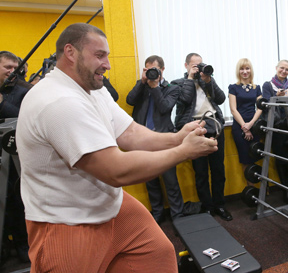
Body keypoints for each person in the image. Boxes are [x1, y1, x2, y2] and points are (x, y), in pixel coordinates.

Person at [16, 23, 218, 272]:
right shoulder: (58, 101)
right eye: (99, 55)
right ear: (70, 52)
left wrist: (178, 138)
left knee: (158, 254)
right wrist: (184, 151)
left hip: (109, 204)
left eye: (107, 55)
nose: (108, 64)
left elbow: (130, 133)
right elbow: (116, 171)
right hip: (66, 220)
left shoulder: (91, 88)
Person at [171, 53, 233, 221]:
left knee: (218, 170)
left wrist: (208, 80)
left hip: (215, 127)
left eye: (201, 65)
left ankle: (220, 205)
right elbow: (185, 100)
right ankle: (207, 207)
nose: (199, 68)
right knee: (201, 172)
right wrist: (191, 78)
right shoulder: (178, 83)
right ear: (186, 66)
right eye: (195, 66)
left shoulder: (207, 81)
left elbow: (220, 99)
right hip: (195, 130)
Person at [126, 55, 184, 224]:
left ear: (162, 70)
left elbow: (165, 107)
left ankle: (177, 217)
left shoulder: (171, 87)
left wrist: (155, 87)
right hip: (143, 139)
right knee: (150, 180)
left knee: (170, 180)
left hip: (163, 139)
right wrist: (142, 82)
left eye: (154, 70)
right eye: (147, 69)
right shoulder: (142, 86)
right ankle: (157, 214)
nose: (150, 73)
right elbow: (130, 100)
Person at [0, 51, 32, 263]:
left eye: (15, 68)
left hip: (16, 161)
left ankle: (23, 245)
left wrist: (1, 103)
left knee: (17, 203)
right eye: (7, 68)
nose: (12, 72)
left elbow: (26, 119)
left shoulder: (24, 91)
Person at [262, 59, 288, 203]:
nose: (284, 71)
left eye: (287, 69)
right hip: (277, 127)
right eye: (282, 68)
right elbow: (265, 105)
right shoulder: (267, 85)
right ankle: (286, 191)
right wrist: (278, 97)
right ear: (276, 68)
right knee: (281, 160)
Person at [228, 58, 262, 185]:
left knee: (256, 156)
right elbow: (233, 109)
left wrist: (251, 124)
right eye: (242, 69)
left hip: (254, 125)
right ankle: (251, 189)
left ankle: (262, 190)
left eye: (247, 68)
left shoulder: (257, 88)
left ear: (251, 70)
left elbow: (260, 108)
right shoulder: (233, 88)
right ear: (238, 71)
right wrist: (244, 126)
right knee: (245, 159)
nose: (245, 71)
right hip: (239, 126)